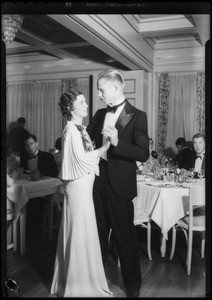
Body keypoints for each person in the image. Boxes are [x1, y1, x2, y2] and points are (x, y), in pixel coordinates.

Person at [87, 69, 149, 298]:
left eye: (102, 90)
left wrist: (116, 141)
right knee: (97, 234)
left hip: (121, 185)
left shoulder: (137, 116)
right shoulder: (98, 113)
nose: (100, 95)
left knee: (125, 237)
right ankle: (96, 281)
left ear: (115, 87)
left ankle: (133, 286)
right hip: (97, 181)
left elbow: (143, 153)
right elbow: (88, 141)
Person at [50, 91, 112, 297]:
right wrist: (104, 148)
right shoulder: (71, 131)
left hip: (83, 187)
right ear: (71, 108)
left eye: (85, 100)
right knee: (78, 230)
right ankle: (77, 286)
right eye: (82, 102)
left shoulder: (79, 129)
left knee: (82, 229)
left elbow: (83, 157)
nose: (86, 104)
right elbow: (82, 160)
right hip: (78, 189)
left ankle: (81, 281)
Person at [22, 133, 58, 240]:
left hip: (46, 192)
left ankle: (28, 233)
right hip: (29, 191)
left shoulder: (48, 156)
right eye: (26, 145)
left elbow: (55, 174)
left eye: (31, 144)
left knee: (34, 202)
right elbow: (24, 172)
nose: (29, 147)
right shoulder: (23, 158)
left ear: (36, 144)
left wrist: (41, 172)